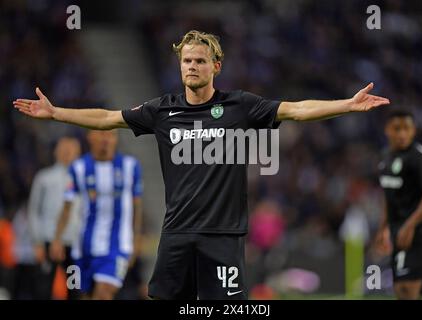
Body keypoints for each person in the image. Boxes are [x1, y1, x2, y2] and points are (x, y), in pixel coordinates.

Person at [13, 30, 389, 299]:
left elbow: (295, 110)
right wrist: (57, 113)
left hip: (223, 235)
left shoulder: (240, 105)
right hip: (177, 233)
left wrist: (346, 105)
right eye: (186, 61)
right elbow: (108, 118)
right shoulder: (162, 110)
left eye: (199, 61)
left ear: (216, 66)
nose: (191, 67)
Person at [49, 130, 143, 300]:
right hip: (82, 249)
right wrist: (57, 238)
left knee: (104, 292)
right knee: (80, 295)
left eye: (111, 135)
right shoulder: (78, 168)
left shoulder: (131, 166)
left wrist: (136, 241)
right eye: (101, 134)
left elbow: (137, 208)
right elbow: (66, 208)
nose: (106, 139)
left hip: (118, 247)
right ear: (90, 137)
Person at [375, 109, 422, 300]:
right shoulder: (385, 157)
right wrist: (383, 228)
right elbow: (388, 196)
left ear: (413, 131)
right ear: (387, 129)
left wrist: (409, 226)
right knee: (400, 291)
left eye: (407, 128)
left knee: (409, 292)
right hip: (397, 231)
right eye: (397, 129)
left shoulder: (417, 157)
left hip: (418, 233)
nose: (402, 134)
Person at [28, 136, 81, 299]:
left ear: (78, 152)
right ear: (56, 151)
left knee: (74, 289)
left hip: (74, 244)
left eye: (71, 149)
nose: (67, 152)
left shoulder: (82, 178)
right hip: (48, 241)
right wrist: (37, 242)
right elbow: (34, 210)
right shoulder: (44, 178)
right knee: (43, 289)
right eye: (63, 148)